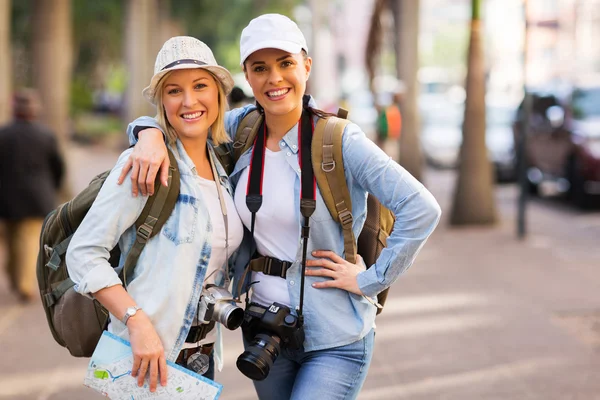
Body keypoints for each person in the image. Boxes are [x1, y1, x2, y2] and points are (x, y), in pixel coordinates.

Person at [119, 14, 441, 400]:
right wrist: (148, 133)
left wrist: (370, 280)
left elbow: (421, 207)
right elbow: (182, 118)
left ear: (306, 65)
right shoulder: (241, 129)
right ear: (246, 76)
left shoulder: (340, 141)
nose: (274, 78)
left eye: (285, 63)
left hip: (336, 335)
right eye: (260, 68)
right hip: (263, 331)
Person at [66, 36, 244, 392]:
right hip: (147, 358)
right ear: (162, 101)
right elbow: (83, 253)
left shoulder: (223, 164)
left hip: (200, 357)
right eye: (174, 90)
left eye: (200, 86)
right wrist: (136, 321)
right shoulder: (144, 165)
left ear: (218, 95)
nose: (189, 101)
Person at [0, 89, 64, 303]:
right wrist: (52, 187)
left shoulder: (3, 134)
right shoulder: (46, 135)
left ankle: (18, 279)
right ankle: (24, 282)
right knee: (28, 241)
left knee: (12, 241)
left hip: (7, 199)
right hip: (37, 197)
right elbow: (58, 167)